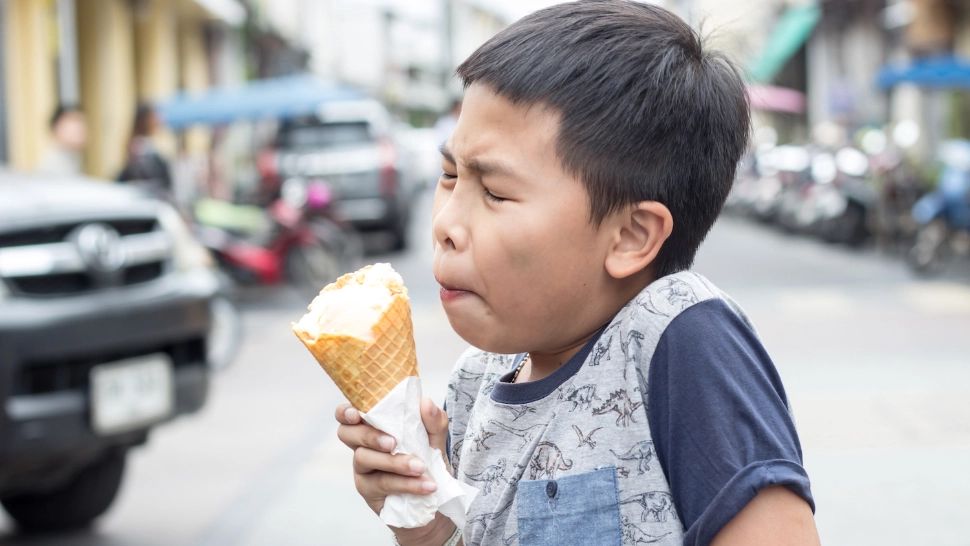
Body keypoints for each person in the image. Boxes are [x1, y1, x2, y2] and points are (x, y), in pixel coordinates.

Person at [335, 2, 819, 545]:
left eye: (494, 191)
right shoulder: (474, 383)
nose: (446, 223)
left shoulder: (678, 336)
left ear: (631, 236)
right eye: (449, 176)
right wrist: (427, 521)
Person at [117, 103, 172, 193]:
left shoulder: (146, 145)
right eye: (154, 118)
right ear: (145, 121)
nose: (158, 121)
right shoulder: (139, 149)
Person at [39, 104, 87, 176]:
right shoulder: (52, 167)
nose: (81, 128)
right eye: (75, 121)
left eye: (82, 122)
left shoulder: (74, 159)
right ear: (57, 128)